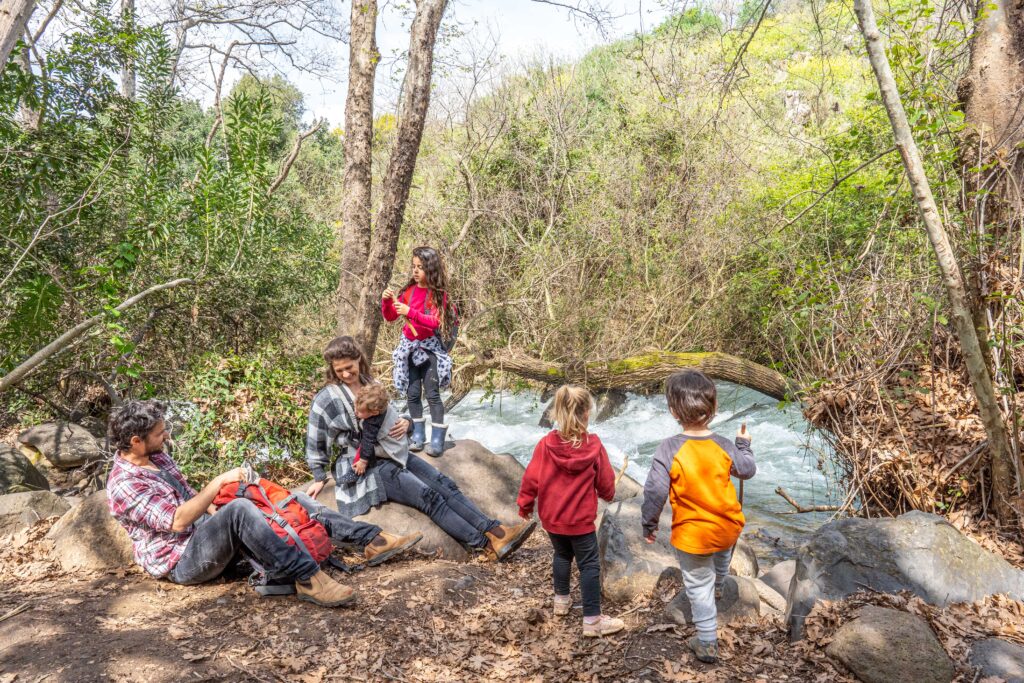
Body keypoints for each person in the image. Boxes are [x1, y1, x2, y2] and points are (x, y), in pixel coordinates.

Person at [106, 399, 421, 607]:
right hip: (181, 561)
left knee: (287, 499)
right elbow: (177, 520)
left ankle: (371, 540)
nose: (166, 437)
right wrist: (219, 482)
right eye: (160, 433)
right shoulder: (125, 482)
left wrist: (222, 504)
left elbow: (188, 497)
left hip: (202, 535)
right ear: (135, 440)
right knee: (240, 510)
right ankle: (308, 579)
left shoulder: (155, 456)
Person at [306, 335, 536, 560]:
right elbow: (316, 438)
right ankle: (484, 545)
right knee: (429, 497)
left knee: (446, 485)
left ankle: (497, 532)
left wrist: (407, 423)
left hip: (395, 451)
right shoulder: (326, 399)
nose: (346, 374)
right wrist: (318, 475)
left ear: (359, 359)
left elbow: (393, 414)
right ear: (332, 370)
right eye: (339, 370)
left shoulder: (371, 384)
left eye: (350, 367)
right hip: (366, 464)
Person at [640, 370, 757, 663]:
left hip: (693, 534)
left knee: (697, 587)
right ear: (713, 408)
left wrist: (649, 523)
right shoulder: (724, 444)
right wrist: (743, 444)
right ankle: (719, 585)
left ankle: (706, 642)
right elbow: (747, 470)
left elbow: (655, 492)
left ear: (672, 410)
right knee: (720, 555)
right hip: (727, 527)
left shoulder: (668, 448)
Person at [517, 385, 625, 638]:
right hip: (580, 521)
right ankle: (592, 621)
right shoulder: (594, 446)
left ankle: (561, 602)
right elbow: (606, 481)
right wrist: (608, 496)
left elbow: (530, 479)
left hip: (553, 519)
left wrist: (525, 505)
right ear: (587, 413)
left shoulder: (545, 445)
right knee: (589, 565)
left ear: (556, 412)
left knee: (562, 555)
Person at [382, 245, 456, 456]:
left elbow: (435, 322)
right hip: (409, 349)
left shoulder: (438, 294)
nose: (415, 271)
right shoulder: (407, 291)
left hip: (430, 349)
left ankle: (437, 439)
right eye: (413, 266)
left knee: (432, 394)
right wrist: (387, 301)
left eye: (420, 267)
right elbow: (390, 317)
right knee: (412, 394)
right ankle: (418, 436)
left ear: (431, 269)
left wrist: (411, 312)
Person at [338, 384, 409, 487]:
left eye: (360, 411)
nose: (355, 412)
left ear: (375, 412)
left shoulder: (371, 423)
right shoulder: (384, 406)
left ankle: (355, 472)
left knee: (363, 446)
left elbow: (368, 441)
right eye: (355, 408)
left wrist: (363, 461)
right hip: (401, 443)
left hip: (390, 449)